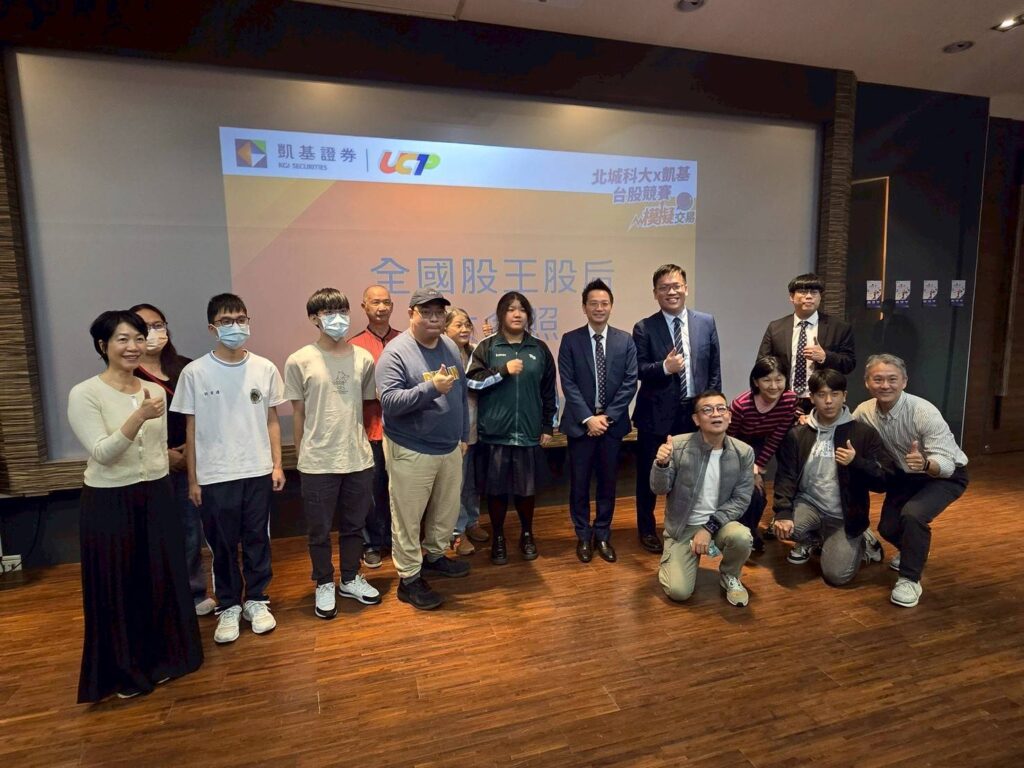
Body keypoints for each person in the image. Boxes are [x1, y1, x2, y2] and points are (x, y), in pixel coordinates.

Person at [68, 310, 202, 702]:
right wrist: (138, 417)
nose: (133, 347)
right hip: (110, 499)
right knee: (121, 585)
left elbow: (155, 451)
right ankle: (127, 670)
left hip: (156, 494)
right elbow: (102, 453)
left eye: (138, 339)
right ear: (103, 345)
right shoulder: (86, 393)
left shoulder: (154, 391)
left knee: (160, 578)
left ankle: (167, 658)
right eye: (123, 339)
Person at [170, 293, 286, 643]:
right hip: (215, 475)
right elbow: (191, 429)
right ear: (212, 328)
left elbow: (272, 420)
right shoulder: (195, 372)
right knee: (222, 544)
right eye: (226, 321)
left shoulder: (264, 368)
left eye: (240, 319)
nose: (235, 326)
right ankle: (229, 604)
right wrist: (193, 480)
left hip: (257, 470)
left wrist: (277, 465)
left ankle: (257, 600)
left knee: (257, 539)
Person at [284, 288, 382, 620]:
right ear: (314, 318)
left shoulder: (363, 358)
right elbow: (298, 413)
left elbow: (365, 405)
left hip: (357, 456)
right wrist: (302, 457)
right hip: (317, 460)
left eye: (342, 311)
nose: (338, 318)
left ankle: (350, 578)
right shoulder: (299, 360)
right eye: (329, 313)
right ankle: (324, 582)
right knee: (319, 529)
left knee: (354, 525)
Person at [376, 287, 471, 610]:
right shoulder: (396, 352)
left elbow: (460, 394)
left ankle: (434, 556)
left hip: (449, 446)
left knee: (446, 511)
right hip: (411, 448)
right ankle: (409, 578)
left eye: (439, 313)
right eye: (426, 312)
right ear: (411, 314)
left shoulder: (449, 346)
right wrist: (431, 388)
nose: (433, 318)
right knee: (408, 517)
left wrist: (463, 435)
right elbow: (390, 402)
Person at [853, 354, 969, 608]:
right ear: (867, 382)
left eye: (892, 379)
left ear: (904, 381)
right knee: (887, 528)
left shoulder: (923, 412)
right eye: (878, 379)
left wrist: (925, 464)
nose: (885, 385)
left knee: (913, 515)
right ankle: (914, 550)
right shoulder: (864, 411)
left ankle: (909, 579)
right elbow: (846, 428)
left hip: (943, 476)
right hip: (904, 476)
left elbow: (947, 463)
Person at [771, 369, 894, 586]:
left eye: (835, 394)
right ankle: (812, 538)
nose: (828, 401)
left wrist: (857, 462)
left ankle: (862, 539)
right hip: (809, 504)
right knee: (781, 526)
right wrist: (783, 512)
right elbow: (786, 476)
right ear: (811, 397)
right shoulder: (798, 434)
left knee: (837, 576)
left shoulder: (863, 434)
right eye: (821, 395)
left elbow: (884, 480)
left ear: (844, 396)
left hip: (844, 515)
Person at [131, 302, 216, 617]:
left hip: (191, 461)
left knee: (191, 533)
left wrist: (188, 452)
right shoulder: (127, 374)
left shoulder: (186, 368)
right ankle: (161, 597)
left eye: (158, 324)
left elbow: (207, 413)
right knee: (154, 535)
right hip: (149, 466)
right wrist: (164, 454)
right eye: (144, 327)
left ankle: (194, 592)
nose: (154, 332)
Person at [632, 264, 721, 554]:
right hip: (655, 416)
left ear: (686, 288)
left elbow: (714, 369)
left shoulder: (706, 322)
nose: (671, 292)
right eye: (664, 288)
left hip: (693, 413)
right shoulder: (644, 327)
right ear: (655, 293)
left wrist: (711, 409)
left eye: (676, 286)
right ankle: (647, 529)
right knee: (649, 475)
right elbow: (638, 369)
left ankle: (684, 525)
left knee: (689, 475)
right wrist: (664, 367)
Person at [467, 291, 557, 565]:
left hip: (527, 433)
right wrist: (502, 371)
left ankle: (527, 534)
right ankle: (498, 537)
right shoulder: (487, 346)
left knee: (526, 491)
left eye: (522, 309)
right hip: (495, 433)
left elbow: (549, 392)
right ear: (501, 315)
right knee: (495, 492)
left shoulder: (539, 349)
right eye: (510, 309)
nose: (517, 314)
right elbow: (471, 382)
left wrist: (547, 426)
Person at [557, 279, 638, 563]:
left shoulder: (625, 340)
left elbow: (629, 382)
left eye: (604, 303)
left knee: (608, 483)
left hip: (612, 428)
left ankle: (602, 534)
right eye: (593, 303)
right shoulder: (570, 340)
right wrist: (589, 418)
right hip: (581, 427)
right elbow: (568, 383)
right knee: (579, 484)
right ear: (584, 307)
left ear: (611, 306)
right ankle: (583, 535)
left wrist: (607, 418)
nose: (599, 308)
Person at [650, 390, 754, 606]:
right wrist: (661, 464)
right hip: (683, 527)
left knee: (742, 537)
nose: (716, 414)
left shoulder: (743, 452)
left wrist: (708, 528)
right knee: (679, 592)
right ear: (696, 419)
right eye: (707, 410)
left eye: (721, 408)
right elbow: (659, 489)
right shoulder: (678, 445)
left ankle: (730, 575)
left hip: (719, 524)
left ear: (729, 416)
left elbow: (741, 499)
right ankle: (674, 557)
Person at [349, 285, 401, 569]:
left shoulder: (405, 341)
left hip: (402, 431)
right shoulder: (353, 346)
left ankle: (397, 540)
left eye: (386, 302)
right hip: (369, 430)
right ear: (364, 306)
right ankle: (371, 544)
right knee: (370, 491)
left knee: (399, 490)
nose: (381, 308)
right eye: (375, 302)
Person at [726, 356, 798, 551]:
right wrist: (749, 469)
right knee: (746, 489)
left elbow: (776, 437)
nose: (774, 386)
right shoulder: (741, 405)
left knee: (758, 492)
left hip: (760, 445)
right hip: (735, 446)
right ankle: (738, 533)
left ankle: (749, 532)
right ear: (756, 382)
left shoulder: (789, 400)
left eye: (779, 379)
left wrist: (757, 467)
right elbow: (728, 439)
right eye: (767, 380)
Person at [757, 273, 856, 413]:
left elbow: (849, 363)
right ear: (791, 297)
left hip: (822, 400)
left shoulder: (839, 327)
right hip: (784, 400)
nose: (809, 296)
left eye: (814, 292)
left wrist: (825, 357)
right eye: (803, 292)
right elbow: (762, 363)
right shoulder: (776, 328)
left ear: (820, 297)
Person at [445, 308, 489, 556]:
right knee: (457, 484)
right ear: (445, 328)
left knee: (473, 479)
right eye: (458, 325)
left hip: (476, 426)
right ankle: (456, 531)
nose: (464, 329)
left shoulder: (474, 351)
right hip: (455, 429)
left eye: (467, 325)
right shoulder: (443, 354)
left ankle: (472, 521)